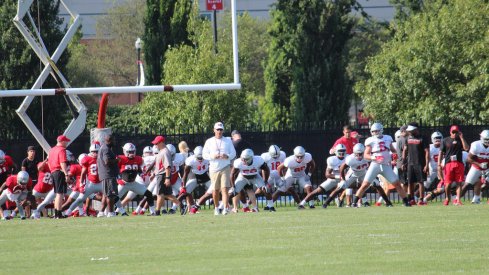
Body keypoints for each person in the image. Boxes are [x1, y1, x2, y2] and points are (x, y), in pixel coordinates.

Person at [353, 123, 411, 207]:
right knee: (365, 185)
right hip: (375, 165)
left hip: (386, 165)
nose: (375, 133)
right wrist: (374, 157)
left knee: (397, 184)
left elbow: (393, 150)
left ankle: (406, 202)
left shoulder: (388, 138)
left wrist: (394, 155)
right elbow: (366, 155)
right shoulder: (370, 140)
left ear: (381, 130)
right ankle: (354, 202)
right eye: (373, 131)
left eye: (376, 131)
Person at [298, 144, 347, 209]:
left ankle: (326, 204)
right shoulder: (332, 159)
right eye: (340, 150)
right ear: (336, 151)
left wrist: (343, 178)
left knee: (344, 187)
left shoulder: (348, 158)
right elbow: (327, 174)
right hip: (333, 179)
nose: (342, 152)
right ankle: (302, 204)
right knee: (317, 191)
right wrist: (339, 177)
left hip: (345, 179)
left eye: (343, 151)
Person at [203, 122, 236, 215]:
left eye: (221, 129)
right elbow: (204, 154)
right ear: (214, 130)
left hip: (225, 167)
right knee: (215, 190)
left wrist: (227, 156)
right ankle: (216, 208)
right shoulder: (209, 141)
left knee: (225, 189)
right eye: (217, 129)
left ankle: (225, 208)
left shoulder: (228, 141)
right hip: (214, 168)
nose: (219, 131)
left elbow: (233, 153)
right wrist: (213, 156)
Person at [115, 143, 156, 216]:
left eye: (132, 151)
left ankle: (153, 212)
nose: (131, 153)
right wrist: (118, 179)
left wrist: (141, 173)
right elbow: (114, 169)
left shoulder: (138, 159)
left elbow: (139, 169)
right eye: (129, 152)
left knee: (149, 194)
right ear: (124, 151)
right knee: (113, 197)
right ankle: (112, 212)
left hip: (134, 183)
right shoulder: (121, 158)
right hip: (124, 183)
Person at [153, 136, 186, 215]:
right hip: (161, 174)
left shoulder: (165, 152)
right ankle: (182, 206)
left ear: (161, 142)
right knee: (167, 194)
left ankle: (157, 212)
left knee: (160, 194)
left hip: (163, 174)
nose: (155, 145)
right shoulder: (162, 151)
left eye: (157, 143)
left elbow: (167, 166)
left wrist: (167, 178)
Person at [229, 149, 270, 213]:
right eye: (243, 159)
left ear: (251, 158)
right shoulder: (238, 162)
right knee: (234, 191)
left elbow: (266, 169)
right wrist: (233, 186)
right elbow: (232, 174)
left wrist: (265, 181)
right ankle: (232, 207)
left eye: (246, 159)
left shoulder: (258, 160)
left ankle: (255, 208)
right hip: (242, 177)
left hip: (254, 176)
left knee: (261, 188)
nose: (244, 161)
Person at [438, 125, 469, 206]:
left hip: (459, 163)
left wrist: (462, 138)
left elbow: (466, 148)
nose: (454, 134)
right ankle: (447, 198)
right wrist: (439, 163)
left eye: (456, 132)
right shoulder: (445, 140)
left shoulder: (460, 139)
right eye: (453, 132)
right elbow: (441, 152)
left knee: (459, 182)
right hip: (449, 163)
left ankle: (458, 199)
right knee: (447, 183)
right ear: (450, 132)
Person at [402, 123, 429, 205]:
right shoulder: (408, 138)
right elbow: (405, 150)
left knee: (421, 182)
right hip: (410, 163)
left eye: (411, 130)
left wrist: (426, 165)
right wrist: (403, 162)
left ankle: (421, 199)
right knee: (410, 182)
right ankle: (412, 199)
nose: (409, 132)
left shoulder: (423, 138)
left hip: (420, 163)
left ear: (416, 129)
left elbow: (427, 152)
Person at [459, 130, 489, 204]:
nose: (488, 141)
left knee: (486, 184)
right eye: (486, 139)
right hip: (476, 167)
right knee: (467, 184)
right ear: (481, 138)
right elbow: (469, 159)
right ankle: (457, 199)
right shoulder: (476, 145)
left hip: (488, 167)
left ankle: (476, 199)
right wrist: (479, 164)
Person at [47, 135, 71, 219]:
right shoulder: (62, 150)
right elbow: (62, 162)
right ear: (62, 141)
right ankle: (58, 213)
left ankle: (57, 213)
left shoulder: (51, 150)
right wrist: (66, 174)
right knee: (60, 193)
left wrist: (52, 171)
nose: (67, 143)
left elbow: (48, 163)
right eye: (66, 141)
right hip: (59, 172)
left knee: (57, 193)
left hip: (53, 172)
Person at [97, 134, 120, 217]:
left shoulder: (103, 148)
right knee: (111, 194)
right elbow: (107, 161)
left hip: (106, 174)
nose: (115, 142)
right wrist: (116, 160)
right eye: (114, 140)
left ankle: (101, 212)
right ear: (110, 140)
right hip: (108, 174)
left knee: (105, 194)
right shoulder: (106, 149)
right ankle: (111, 213)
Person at [259, 145, 286, 212]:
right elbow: (263, 169)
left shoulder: (282, 154)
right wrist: (264, 180)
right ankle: (248, 203)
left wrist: (284, 177)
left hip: (279, 176)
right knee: (261, 190)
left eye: (277, 155)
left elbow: (284, 167)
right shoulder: (265, 156)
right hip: (269, 176)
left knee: (286, 188)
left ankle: (269, 205)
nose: (276, 157)